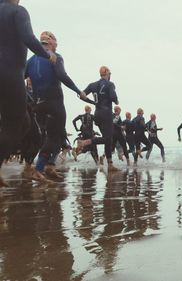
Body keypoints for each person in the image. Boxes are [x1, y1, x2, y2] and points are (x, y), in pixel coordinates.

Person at [0, 0, 57, 186]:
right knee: (15, 125)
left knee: (24, 123)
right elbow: (28, 37)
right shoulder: (17, 11)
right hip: (9, 74)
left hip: (9, 76)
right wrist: (47, 54)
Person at [26, 31, 84, 181]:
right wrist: (79, 91)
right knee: (54, 137)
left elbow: (20, 78)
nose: (56, 44)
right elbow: (62, 76)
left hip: (39, 105)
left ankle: (50, 167)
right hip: (54, 103)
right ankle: (38, 169)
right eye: (55, 41)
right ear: (51, 42)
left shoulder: (31, 60)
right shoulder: (55, 57)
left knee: (54, 136)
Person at [78, 66, 119, 172]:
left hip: (97, 115)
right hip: (106, 114)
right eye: (110, 74)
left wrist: (92, 102)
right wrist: (116, 101)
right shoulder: (110, 84)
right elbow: (113, 97)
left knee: (107, 139)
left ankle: (110, 164)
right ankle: (86, 142)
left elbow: (81, 95)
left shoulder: (93, 85)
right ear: (108, 74)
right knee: (107, 139)